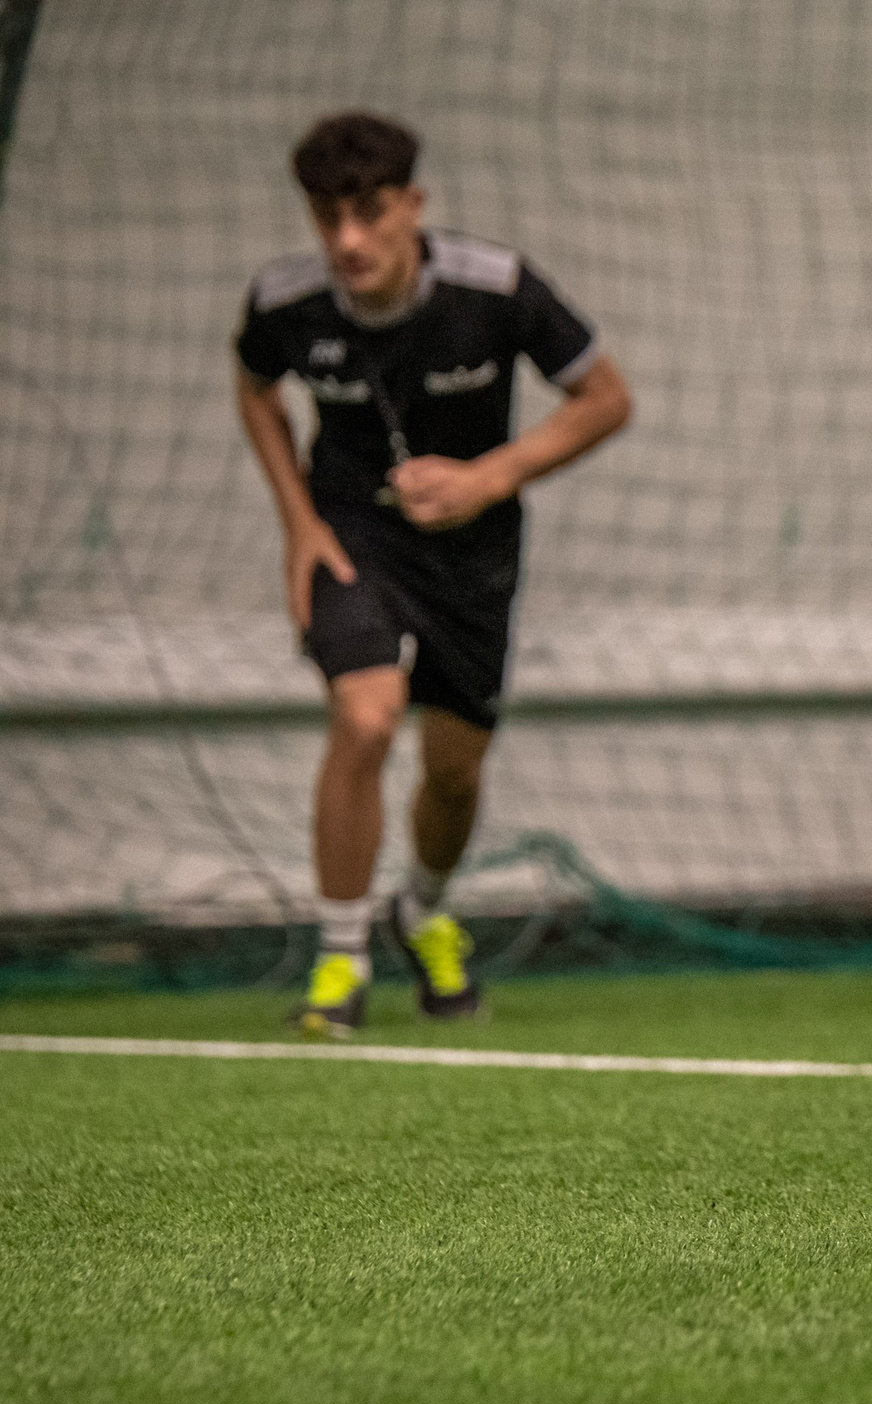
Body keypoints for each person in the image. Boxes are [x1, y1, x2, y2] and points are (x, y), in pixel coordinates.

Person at [234, 111, 631, 1037]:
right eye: (326, 217)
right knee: (366, 714)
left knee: (453, 772)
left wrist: (488, 477)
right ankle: (339, 961)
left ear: (413, 204)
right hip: (349, 539)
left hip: (473, 552)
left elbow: (608, 399)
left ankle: (422, 910)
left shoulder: (496, 288)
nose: (347, 240)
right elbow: (255, 388)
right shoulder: (285, 300)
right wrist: (297, 523)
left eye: (370, 214)